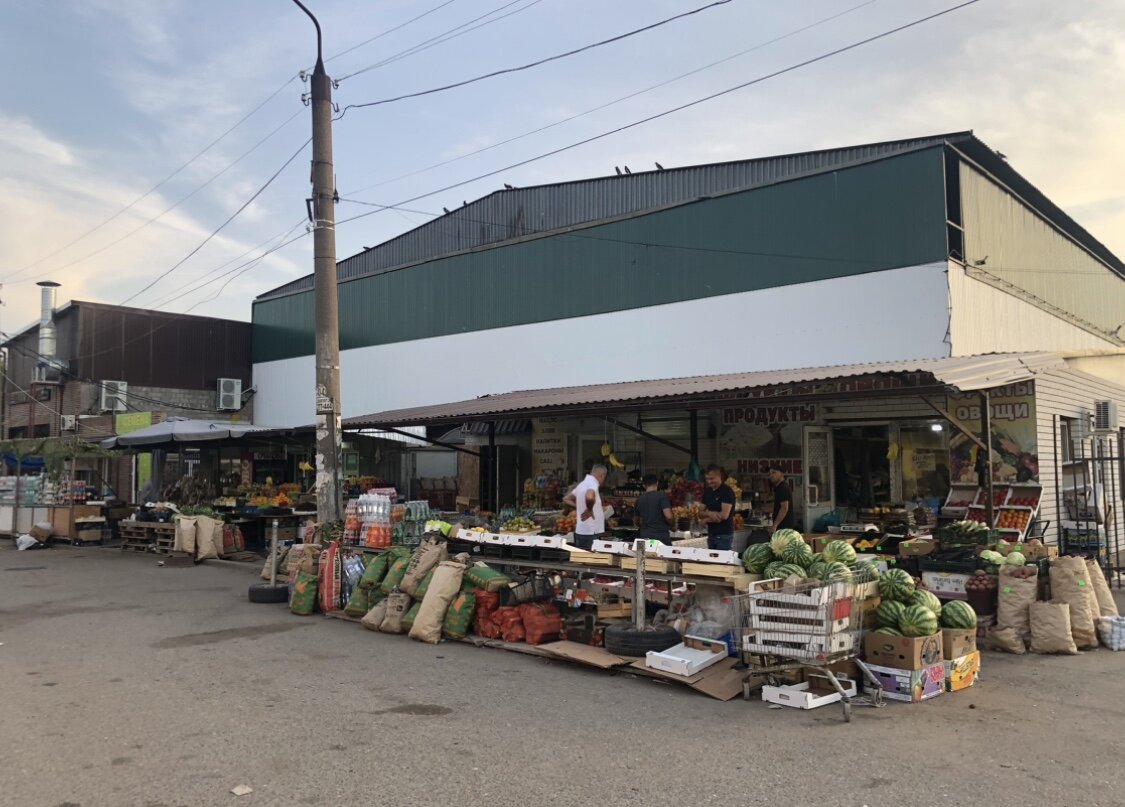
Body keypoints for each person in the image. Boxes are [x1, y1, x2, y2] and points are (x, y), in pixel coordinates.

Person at [563, 464, 607, 550]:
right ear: (602, 475)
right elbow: (589, 496)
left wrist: (579, 506)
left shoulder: (582, 484)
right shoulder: (593, 483)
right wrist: (589, 510)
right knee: (590, 560)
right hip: (590, 531)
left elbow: (566, 498)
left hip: (582, 530)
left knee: (583, 559)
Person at [700, 464, 736, 550]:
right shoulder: (707, 492)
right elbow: (700, 513)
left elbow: (723, 516)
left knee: (722, 562)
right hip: (711, 535)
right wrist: (710, 513)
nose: (709, 481)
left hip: (724, 536)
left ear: (719, 477)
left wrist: (705, 520)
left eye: (712, 479)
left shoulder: (726, 492)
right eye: (707, 479)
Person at [634, 473, 673, 544]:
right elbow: (669, 517)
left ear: (644, 485)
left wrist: (645, 527)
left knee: (646, 555)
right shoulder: (662, 496)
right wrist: (672, 524)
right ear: (657, 483)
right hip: (660, 537)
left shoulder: (639, 499)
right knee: (664, 555)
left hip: (644, 537)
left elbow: (636, 521)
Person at [768, 464, 795, 532]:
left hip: (784, 527)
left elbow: (784, 508)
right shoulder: (778, 487)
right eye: (769, 473)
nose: (771, 475)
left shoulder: (783, 488)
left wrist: (775, 525)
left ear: (782, 474)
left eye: (774, 472)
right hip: (782, 526)